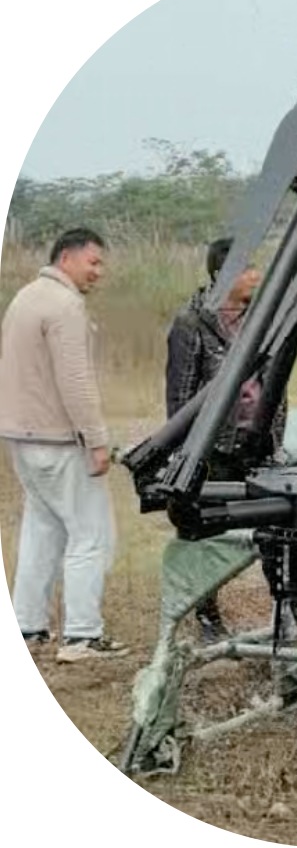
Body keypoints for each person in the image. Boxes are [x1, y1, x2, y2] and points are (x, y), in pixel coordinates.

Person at [0, 227, 128, 662]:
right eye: (93, 262)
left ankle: (27, 626)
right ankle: (82, 636)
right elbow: (75, 382)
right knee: (91, 534)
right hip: (58, 441)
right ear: (66, 258)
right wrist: (97, 440)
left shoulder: (25, 297)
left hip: (21, 438)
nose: (99, 272)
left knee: (41, 530)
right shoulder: (65, 305)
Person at [166, 237, 289, 642]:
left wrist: (276, 435)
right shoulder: (192, 323)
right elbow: (180, 396)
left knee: (277, 531)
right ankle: (207, 616)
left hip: (260, 442)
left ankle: (288, 615)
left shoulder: (262, 317)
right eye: (247, 268)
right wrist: (186, 454)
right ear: (223, 275)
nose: (256, 275)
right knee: (205, 534)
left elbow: (276, 382)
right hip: (214, 449)